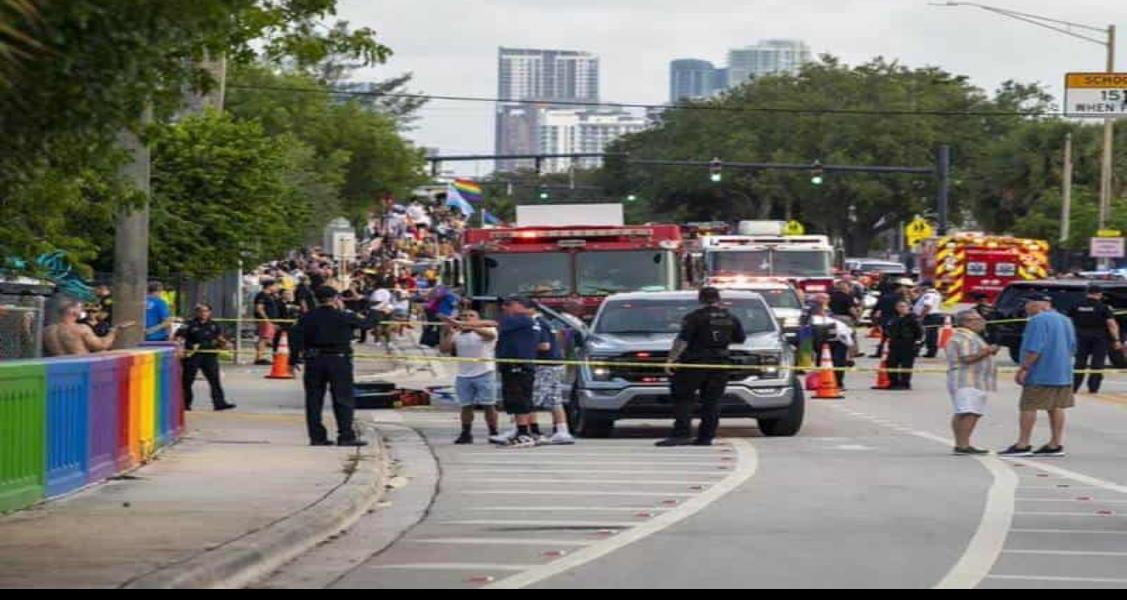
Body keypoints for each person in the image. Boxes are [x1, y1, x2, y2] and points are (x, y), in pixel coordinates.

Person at [290, 286, 382, 447]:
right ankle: (345, 435)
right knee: (343, 398)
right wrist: (376, 311)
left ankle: (317, 436)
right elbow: (366, 324)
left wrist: (293, 358)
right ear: (335, 298)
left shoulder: (307, 317)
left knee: (313, 400)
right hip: (338, 360)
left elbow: (295, 336)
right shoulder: (343, 316)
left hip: (314, 360)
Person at [657, 287, 746, 447]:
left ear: (700, 299)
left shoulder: (694, 317)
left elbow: (682, 340)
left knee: (683, 398)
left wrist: (671, 359)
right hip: (720, 364)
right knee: (712, 401)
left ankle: (681, 434)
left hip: (694, 363)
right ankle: (706, 437)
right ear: (718, 299)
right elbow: (740, 339)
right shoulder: (731, 317)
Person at [999, 293, 1076, 458]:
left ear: (1038, 304)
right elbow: (1072, 346)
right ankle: (1055, 444)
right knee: (1056, 406)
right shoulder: (1065, 320)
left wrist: (1024, 368)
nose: (1025, 308)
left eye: (1027, 304)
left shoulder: (1037, 321)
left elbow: (1035, 348)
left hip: (1041, 372)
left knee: (1028, 406)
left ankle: (1023, 444)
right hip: (1062, 372)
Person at [440, 309, 500, 445]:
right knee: (466, 406)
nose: (467, 318)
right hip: (464, 374)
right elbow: (444, 349)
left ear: (478, 318)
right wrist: (448, 331)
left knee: (489, 405)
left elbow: (490, 336)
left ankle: (493, 432)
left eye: (471, 316)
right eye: (464, 316)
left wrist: (471, 326)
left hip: (485, 372)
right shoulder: (458, 334)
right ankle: (466, 433)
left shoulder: (487, 330)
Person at [945, 310, 999, 455]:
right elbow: (966, 358)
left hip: (973, 380)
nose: (982, 322)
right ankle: (963, 444)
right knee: (969, 412)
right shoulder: (965, 337)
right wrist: (987, 351)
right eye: (978, 319)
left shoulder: (969, 336)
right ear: (967, 322)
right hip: (967, 380)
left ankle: (961, 443)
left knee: (965, 411)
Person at [493, 296, 542, 449]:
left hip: (518, 365)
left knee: (519, 398)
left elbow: (493, 324)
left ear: (520, 306)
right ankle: (525, 431)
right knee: (518, 398)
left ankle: (523, 434)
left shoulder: (520, 320)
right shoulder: (526, 321)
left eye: (509, 305)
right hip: (516, 365)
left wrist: (463, 324)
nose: (504, 308)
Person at [175, 303, 236, 412]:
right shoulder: (189, 324)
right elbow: (179, 337)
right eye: (201, 311)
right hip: (193, 355)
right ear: (197, 312)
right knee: (187, 381)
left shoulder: (213, 325)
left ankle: (219, 403)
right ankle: (185, 404)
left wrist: (226, 344)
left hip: (209, 355)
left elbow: (219, 337)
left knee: (214, 380)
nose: (204, 313)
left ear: (210, 312)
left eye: (206, 311)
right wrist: (180, 348)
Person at [530, 308, 576, 445]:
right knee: (555, 399)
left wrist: (522, 346)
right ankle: (562, 431)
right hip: (555, 364)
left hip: (546, 365)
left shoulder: (537, 323)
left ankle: (528, 431)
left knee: (531, 398)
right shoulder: (545, 322)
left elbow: (544, 345)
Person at [1068, 285, 1121, 394]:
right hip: (1099, 338)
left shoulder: (1076, 305)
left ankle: (1074, 387)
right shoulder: (1103, 307)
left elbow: (1068, 321)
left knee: (1079, 363)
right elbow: (1111, 324)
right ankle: (1093, 388)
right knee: (1097, 363)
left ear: (1087, 293)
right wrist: (1116, 340)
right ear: (1099, 294)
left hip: (1080, 337)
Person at [43, 300, 134, 356]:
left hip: (55, 370)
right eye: (80, 309)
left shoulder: (47, 330)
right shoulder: (81, 328)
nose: (83, 311)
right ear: (74, 311)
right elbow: (102, 345)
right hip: (79, 367)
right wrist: (114, 330)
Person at [884, 300, 924, 390]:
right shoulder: (894, 318)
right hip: (895, 344)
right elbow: (888, 329)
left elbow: (920, 332)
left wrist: (918, 344)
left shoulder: (913, 318)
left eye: (903, 306)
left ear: (908, 307)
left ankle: (905, 383)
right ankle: (893, 382)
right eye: (899, 306)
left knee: (906, 365)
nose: (901, 308)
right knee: (891, 363)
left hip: (908, 344)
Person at [253, 279, 282, 365]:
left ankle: (260, 356)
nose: (276, 288)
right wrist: (266, 320)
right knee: (264, 338)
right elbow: (259, 308)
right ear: (269, 286)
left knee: (266, 338)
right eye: (275, 286)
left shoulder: (270, 295)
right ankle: (259, 357)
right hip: (265, 320)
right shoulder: (262, 295)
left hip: (270, 321)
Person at [912, 280, 944, 358]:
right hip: (934, 316)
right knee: (932, 335)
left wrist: (921, 317)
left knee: (923, 335)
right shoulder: (936, 293)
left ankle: (920, 351)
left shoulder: (929, 294)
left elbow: (927, 306)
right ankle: (931, 352)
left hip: (929, 316)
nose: (920, 287)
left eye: (921, 286)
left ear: (927, 286)